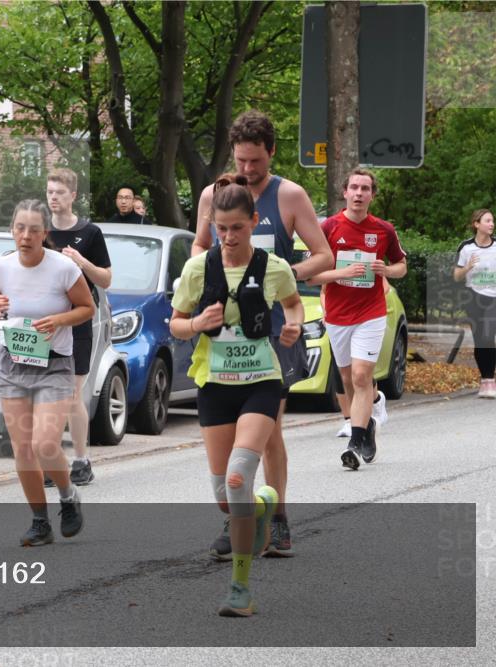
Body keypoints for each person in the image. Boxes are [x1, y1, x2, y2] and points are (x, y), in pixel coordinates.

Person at [193, 110, 333, 559]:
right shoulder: (213, 194)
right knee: (228, 430)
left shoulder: (289, 195)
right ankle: (239, 515)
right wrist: (203, 270)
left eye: (255, 161)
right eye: (241, 160)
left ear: (271, 152)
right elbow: (199, 244)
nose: (248, 171)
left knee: (269, 430)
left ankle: (278, 518)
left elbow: (324, 254)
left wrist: (280, 275)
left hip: (272, 328)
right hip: (223, 327)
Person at [172, 174, 304, 616]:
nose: (228, 237)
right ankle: (265, 505)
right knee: (225, 496)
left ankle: (240, 588)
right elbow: (175, 323)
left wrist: (293, 324)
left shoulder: (273, 267)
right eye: (220, 228)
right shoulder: (196, 268)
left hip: (262, 383)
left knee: (237, 475)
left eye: (237, 227)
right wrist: (196, 325)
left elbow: (293, 302)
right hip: (213, 386)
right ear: (210, 224)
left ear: (255, 221)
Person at [0, 199, 95, 546]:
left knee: (45, 444)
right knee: (23, 450)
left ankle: (68, 495)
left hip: (54, 363)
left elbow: (86, 308)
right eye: (19, 228)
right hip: (13, 362)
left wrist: (58, 320)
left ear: (45, 233)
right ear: (12, 230)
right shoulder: (1, 267)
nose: (25, 236)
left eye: (33, 230)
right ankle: (40, 522)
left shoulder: (63, 268)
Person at [308, 169, 407, 470]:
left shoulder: (383, 230)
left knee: (363, 376)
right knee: (349, 379)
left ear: (372, 195)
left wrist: (386, 271)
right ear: (345, 192)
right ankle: (370, 423)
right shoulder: (328, 227)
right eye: (354, 187)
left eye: (365, 188)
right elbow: (312, 275)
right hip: (338, 315)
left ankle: (356, 440)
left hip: (371, 313)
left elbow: (401, 265)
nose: (359, 193)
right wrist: (341, 273)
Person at [44, 168, 112, 485]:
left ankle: (81, 460)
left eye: (59, 192)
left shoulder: (90, 233)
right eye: (49, 192)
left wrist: (81, 262)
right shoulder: (40, 231)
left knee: (71, 394)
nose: (54, 197)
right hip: (46, 321)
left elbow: (106, 279)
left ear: (73, 196)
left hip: (79, 319)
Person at [327, 280, 391, 437]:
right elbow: (323, 291)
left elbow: (385, 286)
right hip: (338, 319)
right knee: (345, 375)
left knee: (361, 374)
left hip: (366, 318)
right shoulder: (330, 259)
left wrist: (365, 303)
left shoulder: (366, 258)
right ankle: (350, 420)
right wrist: (327, 309)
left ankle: (359, 421)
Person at [454, 208, 496, 398]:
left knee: (488, 335)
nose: (492, 224)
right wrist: (468, 267)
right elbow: (456, 276)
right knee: (481, 340)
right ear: (476, 224)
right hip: (474, 296)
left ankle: (490, 379)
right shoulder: (466, 247)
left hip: (494, 297)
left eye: (492, 221)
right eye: (487, 221)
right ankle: (486, 381)